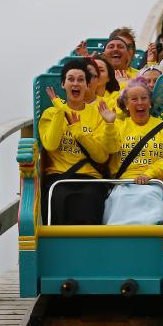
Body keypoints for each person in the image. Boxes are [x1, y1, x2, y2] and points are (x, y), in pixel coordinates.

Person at [38, 60, 119, 224]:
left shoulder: (98, 114)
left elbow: (101, 157)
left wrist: (78, 131)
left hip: (89, 178)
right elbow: (51, 145)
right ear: (63, 84)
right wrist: (61, 111)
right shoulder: (51, 113)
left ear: (88, 85)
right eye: (71, 79)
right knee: (57, 198)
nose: (76, 83)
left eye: (81, 80)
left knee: (89, 201)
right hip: (59, 178)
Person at [103, 79, 163, 225]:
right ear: (126, 104)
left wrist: (148, 174)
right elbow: (109, 149)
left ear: (150, 102)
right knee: (117, 201)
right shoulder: (118, 126)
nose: (140, 103)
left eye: (144, 98)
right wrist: (109, 125)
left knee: (149, 196)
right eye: (134, 99)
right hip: (123, 185)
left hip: (153, 184)